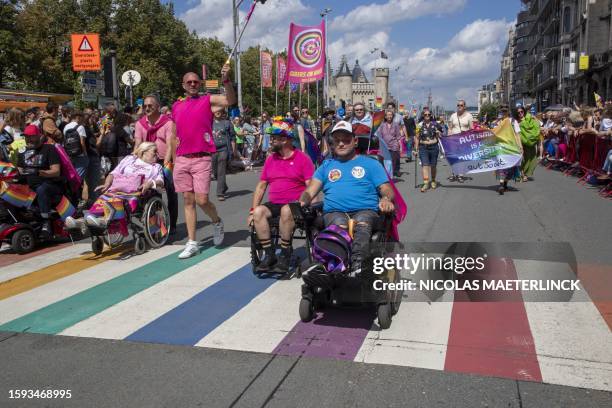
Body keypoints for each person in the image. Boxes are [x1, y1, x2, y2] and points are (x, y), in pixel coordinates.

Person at [299, 121, 395, 276]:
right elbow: (309, 191)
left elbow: (387, 189)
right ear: (332, 144)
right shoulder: (326, 166)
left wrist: (385, 199)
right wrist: (301, 203)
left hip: (366, 210)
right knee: (339, 223)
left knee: (362, 221)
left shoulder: (370, 163)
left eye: (346, 139)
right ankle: (334, 265)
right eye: (337, 140)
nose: (341, 143)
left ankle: (358, 265)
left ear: (355, 141)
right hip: (335, 212)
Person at [172, 65, 236, 259]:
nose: (192, 84)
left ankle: (216, 221)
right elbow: (173, 135)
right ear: (183, 85)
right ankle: (192, 242)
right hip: (182, 159)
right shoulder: (176, 106)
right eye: (189, 82)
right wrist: (172, 159)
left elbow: (230, 100)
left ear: (199, 84)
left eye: (195, 82)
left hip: (201, 157)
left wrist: (226, 81)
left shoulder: (207, 100)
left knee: (202, 200)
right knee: (188, 200)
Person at [248, 118, 315, 272]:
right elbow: (261, 186)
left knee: (286, 210)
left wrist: (312, 207)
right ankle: (270, 254)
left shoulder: (303, 159)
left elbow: (311, 187)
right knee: (258, 212)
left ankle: (285, 253)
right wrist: (252, 211)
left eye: (274, 138)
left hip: (296, 204)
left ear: (284, 139)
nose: (271, 141)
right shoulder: (271, 159)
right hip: (275, 203)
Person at [65, 142, 163, 232]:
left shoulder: (156, 167)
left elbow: (160, 181)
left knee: (117, 201)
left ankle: (103, 221)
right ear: (143, 152)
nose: (157, 154)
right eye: (154, 151)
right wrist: (107, 183)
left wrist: (149, 183)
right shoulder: (130, 159)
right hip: (117, 189)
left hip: (136, 192)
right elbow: (114, 173)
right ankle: (84, 220)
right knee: (103, 198)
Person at [134, 94, 178, 235]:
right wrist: (133, 159)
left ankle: (173, 224)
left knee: (170, 191)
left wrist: (167, 162)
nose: (147, 108)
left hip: (164, 160)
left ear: (158, 107)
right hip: (147, 162)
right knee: (152, 193)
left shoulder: (167, 122)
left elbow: (171, 144)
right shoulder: (140, 124)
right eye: (145, 106)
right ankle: (157, 226)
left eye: (150, 106)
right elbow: (138, 144)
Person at [17, 125, 64, 236]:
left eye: (31, 137)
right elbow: (19, 170)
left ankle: (46, 222)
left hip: (50, 184)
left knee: (42, 189)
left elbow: (56, 171)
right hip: (29, 185)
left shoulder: (49, 149)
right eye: (26, 137)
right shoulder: (22, 152)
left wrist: (40, 173)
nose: (28, 139)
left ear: (39, 136)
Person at [492, 105, 521, 195]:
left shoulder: (513, 121)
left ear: (508, 111)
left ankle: (505, 183)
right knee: (502, 164)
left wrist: (520, 146)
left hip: (511, 147)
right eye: (502, 111)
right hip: (500, 147)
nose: (504, 112)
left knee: (510, 166)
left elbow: (517, 134)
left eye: (505, 111)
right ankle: (501, 184)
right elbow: (493, 133)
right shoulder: (497, 123)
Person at [415, 109, 443, 192]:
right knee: (425, 165)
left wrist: (439, 133)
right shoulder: (419, 125)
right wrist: (416, 149)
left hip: (434, 147)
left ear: (431, 115)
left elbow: (441, 135)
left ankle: (433, 180)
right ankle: (426, 183)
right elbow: (417, 137)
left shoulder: (436, 124)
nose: (427, 116)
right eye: (425, 114)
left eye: (428, 114)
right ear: (423, 115)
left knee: (433, 166)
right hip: (423, 147)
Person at [212, 109, 235, 201]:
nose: (218, 112)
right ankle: (223, 186)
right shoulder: (209, 123)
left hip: (224, 149)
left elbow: (233, 137)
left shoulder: (227, 123)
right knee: (215, 171)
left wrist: (233, 150)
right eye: (216, 111)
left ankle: (220, 193)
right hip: (212, 150)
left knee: (221, 170)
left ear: (222, 112)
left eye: (220, 111)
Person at [448, 100, 473, 182]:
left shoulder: (469, 116)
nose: (459, 106)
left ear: (464, 106)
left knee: (462, 157)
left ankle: (461, 175)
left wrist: (470, 139)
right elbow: (450, 128)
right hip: (454, 140)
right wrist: (449, 138)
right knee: (454, 157)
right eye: (458, 105)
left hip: (464, 140)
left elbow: (471, 129)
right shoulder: (453, 116)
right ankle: (454, 173)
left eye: (461, 105)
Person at [63, 110, 89, 182]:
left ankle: (71, 188)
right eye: (82, 118)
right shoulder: (80, 127)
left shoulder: (66, 127)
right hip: (80, 155)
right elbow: (82, 143)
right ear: (78, 117)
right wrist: (85, 154)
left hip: (69, 155)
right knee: (78, 177)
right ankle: (74, 188)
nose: (83, 120)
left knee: (72, 174)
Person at [83, 108, 102, 204]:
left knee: (88, 182)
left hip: (84, 158)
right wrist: (102, 134)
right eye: (92, 116)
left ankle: (89, 204)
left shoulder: (81, 127)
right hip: (92, 157)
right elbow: (97, 145)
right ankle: (94, 206)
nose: (94, 118)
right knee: (94, 183)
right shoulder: (86, 129)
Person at [517, 106, 540, 181]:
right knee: (522, 159)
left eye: (521, 112)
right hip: (520, 142)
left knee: (530, 159)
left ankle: (525, 174)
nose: (520, 113)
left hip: (530, 141)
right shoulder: (516, 121)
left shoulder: (531, 118)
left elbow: (537, 125)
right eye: (518, 112)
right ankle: (521, 173)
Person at [377, 109, 403, 177]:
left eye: (391, 115)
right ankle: (385, 177)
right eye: (388, 115)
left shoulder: (396, 125)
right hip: (384, 147)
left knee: (391, 163)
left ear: (393, 116)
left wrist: (401, 147)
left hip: (393, 146)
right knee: (383, 163)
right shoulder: (382, 125)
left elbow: (398, 137)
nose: (389, 116)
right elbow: (379, 136)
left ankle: (390, 178)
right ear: (385, 116)